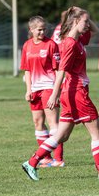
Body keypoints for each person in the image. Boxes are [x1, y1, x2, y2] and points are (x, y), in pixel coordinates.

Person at [22, 6, 99, 181]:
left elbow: (93, 29)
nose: (88, 24)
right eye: (85, 21)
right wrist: (54, 94)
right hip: (76, 92)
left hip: (71, 93)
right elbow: (62, 70)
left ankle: (31, 162)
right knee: (97, 132)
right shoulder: (70, 43)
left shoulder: (78, 39)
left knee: (62, 135)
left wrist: (82, 12)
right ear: (76, 21)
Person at [20, 16, 64, 167]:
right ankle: (46, 158)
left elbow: (59, 70)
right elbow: (27, 70)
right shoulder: (26, 46)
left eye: (44, 29)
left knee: (53, 123)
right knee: (38, 122)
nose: (42, 32)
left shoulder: (51, 44)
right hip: (35, 89)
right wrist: (28, 90)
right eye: (39, 29)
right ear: (31, 30)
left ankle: (58, 159)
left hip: (49, 87)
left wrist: (55, 92)